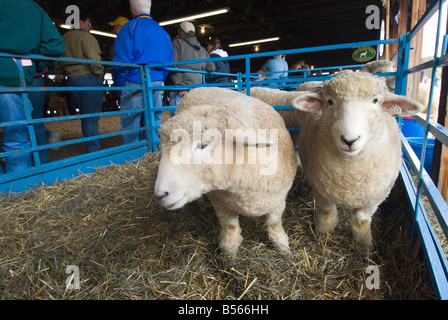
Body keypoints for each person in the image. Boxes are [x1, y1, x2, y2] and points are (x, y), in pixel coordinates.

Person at [0, 0, 64, 173]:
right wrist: (33, 64)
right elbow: (55, 46)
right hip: (14, 78)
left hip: (12, 77)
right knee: (16, 137)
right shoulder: (33, 8)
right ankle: (19, 191)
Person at [113, 0, 173, 144]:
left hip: (134, 79)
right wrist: (159, 78)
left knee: (130, 123)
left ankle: (133, 158)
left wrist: (122, 83)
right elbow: (168, 61)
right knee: (154, 121)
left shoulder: (129, 27)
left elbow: (121, 60)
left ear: (132, 8)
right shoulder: (162, 32)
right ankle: (152, 153)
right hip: (157, 81)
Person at [55, 13, 104, 153]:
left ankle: (90, 142)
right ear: (81, 22)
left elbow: (57, 61)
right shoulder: (87, 37)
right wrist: (99, 74)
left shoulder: (63, 39)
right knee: (91, 114)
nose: (90, 27)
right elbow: (94, 59)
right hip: (88, 77)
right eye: (88, 23)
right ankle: (93, 146)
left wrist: (62, 72)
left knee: (84, 113)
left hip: (72, 79)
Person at [168, 21, 215, 113]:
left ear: (181, 32)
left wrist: (179, 85)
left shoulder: (177, 44)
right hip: (197, 89)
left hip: (182, 89)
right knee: (195, 118)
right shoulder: (202, 49)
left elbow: (173, 64)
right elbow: (211, 68)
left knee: (179, 119)